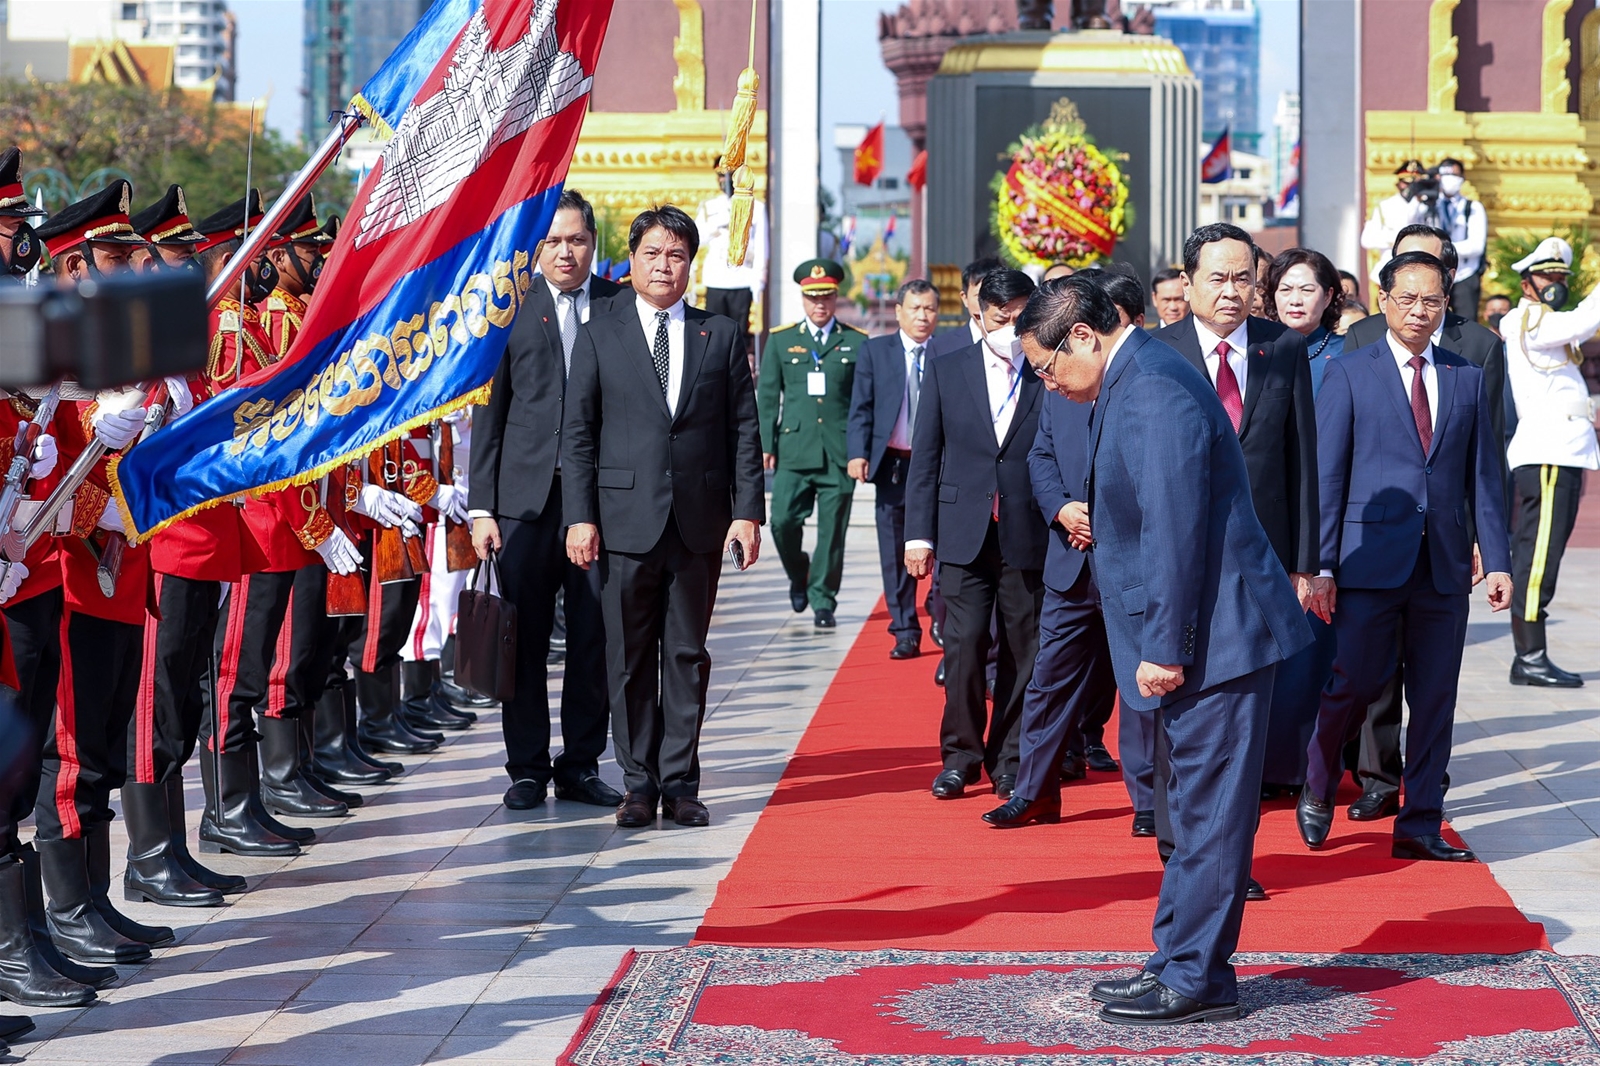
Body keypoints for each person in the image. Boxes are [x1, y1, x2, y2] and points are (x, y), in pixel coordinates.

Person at [1024, 275, 1308, 1025]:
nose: (1051, 385)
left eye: (1050, 370)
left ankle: (1199, 978)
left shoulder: (1148, 386)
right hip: (1201, 634)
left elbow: (1174, 526)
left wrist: (1165, 645)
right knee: (1188, 807)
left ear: (1082, 336)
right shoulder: (1132, 374)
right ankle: (1177, 960)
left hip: (1215, 637)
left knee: (1209, 813)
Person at [1298, 250, 1512, 863]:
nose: (1420, 310)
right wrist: (1322, 565)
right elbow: (1327, 477)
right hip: (1368, 560)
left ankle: (1418, 822)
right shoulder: (1348, 372)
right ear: (1385, 301)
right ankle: (1316, 783)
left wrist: (1496, 559)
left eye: (1433, 300)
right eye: (1408, 298)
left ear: (1447, 305)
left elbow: (1485, 478)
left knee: (1437, 696)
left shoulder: (1465, 375)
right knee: (1354, 683)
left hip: (1443, 566)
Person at [562, 204, 765, 829]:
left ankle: (681, 782)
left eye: (675, 255)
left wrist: (747, 512)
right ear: (632, 260)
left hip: (698, 521)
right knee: (626, 657)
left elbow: (744, 429)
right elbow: (579, 434)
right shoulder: (601, 331)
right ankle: (638, 782)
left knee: (685, 654)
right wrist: (580, 516)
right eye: (652, 253)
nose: (664, 265)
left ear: (689, 264)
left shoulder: (719, 334)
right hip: (622, 522)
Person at [470, 190, 625, 812]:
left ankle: (582, 763)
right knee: (523, 640)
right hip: (523, 503)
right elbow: (491, 414)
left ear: (594, 244)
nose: (566, 252)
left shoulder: (619, 307)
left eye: (577, 241)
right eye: (555, 241)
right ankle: (528, 767)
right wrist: (483, 507)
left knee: (593, 638)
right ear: (538, 248)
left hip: (597, 504)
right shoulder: (510, 307)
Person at [905, 269, 1045, 801]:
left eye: (1018, 316)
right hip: (962, 530)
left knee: (1020, 650)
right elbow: (926, 458)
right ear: (978, 315)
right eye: (999, 317)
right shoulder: (947, 370)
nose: (1009, 326)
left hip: (1027, 529)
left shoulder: (1045, 371)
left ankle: (1008, 760)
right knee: (963, 647)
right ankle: (960, 756)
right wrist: (918, 535)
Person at [982, 276, 1117, 831]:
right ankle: (1033, 791)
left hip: (1124, 559)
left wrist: (1102, 518)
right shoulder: (1053, 387)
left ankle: (1153, 806)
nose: (1046, 377)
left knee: (1138, 688)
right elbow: (1039, 457)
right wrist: (1062, 508)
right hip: (1069, 558)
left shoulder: (1133, 384)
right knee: (1047, 680)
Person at [1255, 248, 1345, 794]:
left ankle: (1302, 770)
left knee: (1312, 651)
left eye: (1306, 289)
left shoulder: (1346, 357)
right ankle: (1260, 766)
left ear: (1328, 296)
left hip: (1325, 518)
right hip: (1266, 516)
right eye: (1285, 288)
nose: (1294, 299)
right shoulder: (1258, 350)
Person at [1499, 237, 1600, 687]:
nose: (1556, 284)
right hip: (1547, 455)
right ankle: (1530, 656)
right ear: (1526, 284)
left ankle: (1531, 654)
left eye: (1562, 278)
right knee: (1538, 558)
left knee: (1544, 554)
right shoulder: (1525, 321)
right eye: (1548, 277)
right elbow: (1584, 319)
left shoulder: (1549, 325)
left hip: (1563, 453)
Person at [757, 259, 865, 628]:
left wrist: (860, 450)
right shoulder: (782, 339)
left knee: (833, 531)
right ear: (803, 298)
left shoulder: (856, 341)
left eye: (827, 297)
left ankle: (823, 599)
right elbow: (768, 396)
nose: (820, 304)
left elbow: (861, 403)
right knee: (782, 521)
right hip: (795, 448)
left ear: (836, 297)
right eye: (812, 297)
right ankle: (798, 572)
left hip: (839, 452)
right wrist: (766, 444)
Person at [847, 278, 939, 658]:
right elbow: (861, 408)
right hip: (894, 467)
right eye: (914, 308)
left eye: (929, 308)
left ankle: (942, 614)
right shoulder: (876, 351)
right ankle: (904, 628)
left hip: (936, 467)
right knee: (895, 551)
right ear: (898, 312)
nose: (922, 315)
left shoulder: (949, 352)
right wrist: (858, 452)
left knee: (942, 546)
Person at [693, 158, 767, 343]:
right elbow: (696, 240)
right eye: (720, 176)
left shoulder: (756, 207)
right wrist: (713, 227)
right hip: (716, 278)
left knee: (738, 334)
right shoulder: (709, 207)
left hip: (742, 277)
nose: (723, 181)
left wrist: (759, 277)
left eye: (728, 176)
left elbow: (761, 246)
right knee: (713, 332)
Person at [1360, 159, 1431, 286]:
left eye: (1414, 184)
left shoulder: (1426, 206)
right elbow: (1367, 240)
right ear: (1398, 183)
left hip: (1420, 270)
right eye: (1406, 183)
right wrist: (1395, 239)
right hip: (1390, 267)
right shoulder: (1385, 206)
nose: (1409, 188)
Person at [1431, 159, 1486, 319]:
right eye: (1445, 174)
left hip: (1465, 274)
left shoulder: (1472, 207)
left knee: (1466, 323)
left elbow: (1476, 246)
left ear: (1462, 178)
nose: (1449, 179)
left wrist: (1441, 249)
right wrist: (1418, 197)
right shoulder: (1430, 205)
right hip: (1435, 274)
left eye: (1454, 174)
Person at [927, 256, 1000, 358]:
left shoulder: (1021, 343)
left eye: (992, 296)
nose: (986, 306)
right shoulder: (940, 348)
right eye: (979, 296)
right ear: (965, 298)